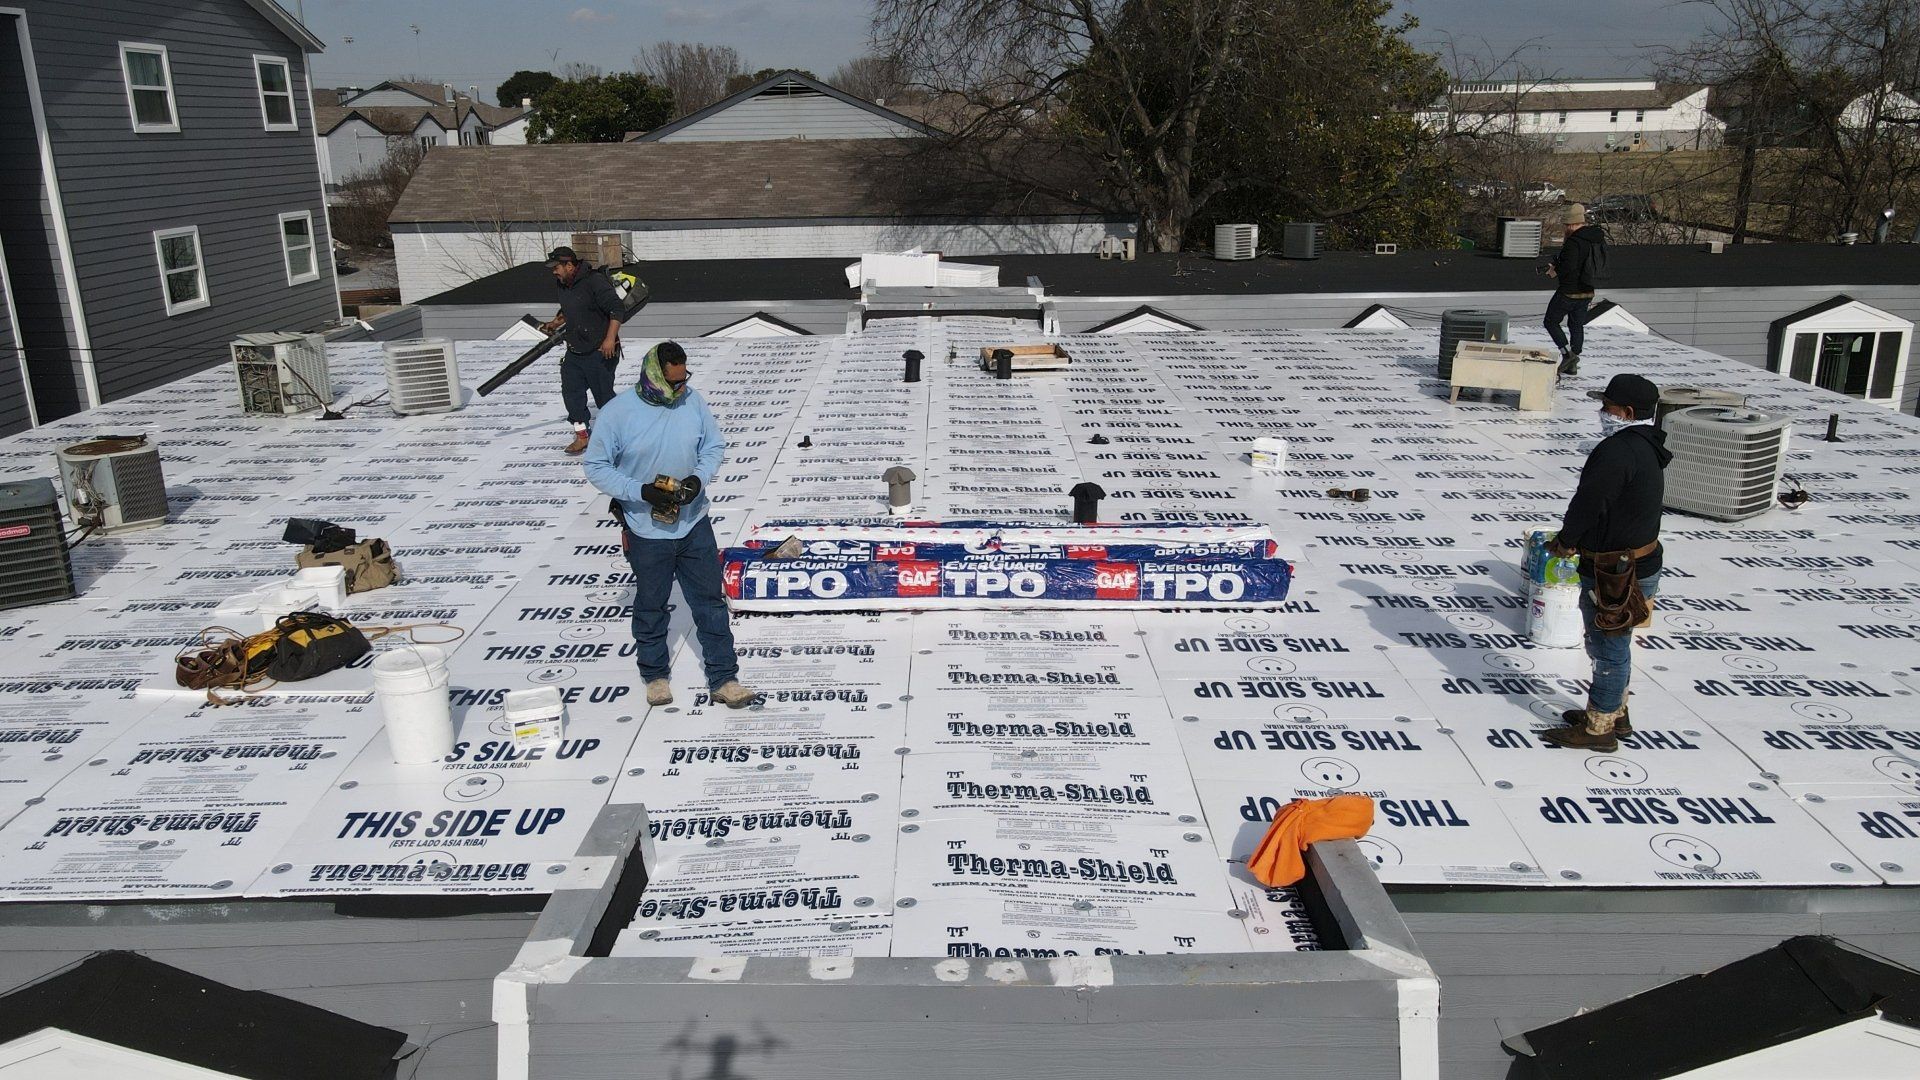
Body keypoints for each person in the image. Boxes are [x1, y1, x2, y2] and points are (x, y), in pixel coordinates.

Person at [581, 341, 756, 709]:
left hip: (693, 525)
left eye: (684, 379)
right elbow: (596, 466)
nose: (680, 388)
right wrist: (640, 491)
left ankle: (724, 678)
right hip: (647, 530)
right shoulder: (618, 413)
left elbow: (713, 447)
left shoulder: (692, 401)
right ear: (653, 375)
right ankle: (655, 674)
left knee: (709, 602)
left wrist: (698, 478)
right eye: (673, 382)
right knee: (652, 603)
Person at [1542, 374, 1670, 752]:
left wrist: (1566, 542)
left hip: (1615, 572)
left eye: (1607, 405)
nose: (1602, 411)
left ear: (1627, 412)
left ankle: (1599, 730)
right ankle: (1615, 711)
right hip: (1638, 562)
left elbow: (1588, 503)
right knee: (1618, 640)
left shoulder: (1617, 451)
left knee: (1608, 646)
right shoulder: (1649, 444)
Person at [540, 246, 627, 455]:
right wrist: (555, 322)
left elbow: (616, 310)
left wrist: (609, 339)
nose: (554, 271)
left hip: (600, 351)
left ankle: (617, 438)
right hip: (575, 351)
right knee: (572, 397)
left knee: (604, 399)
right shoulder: (563, 283)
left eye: (556, 267)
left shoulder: (594, 281)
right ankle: (582, 436)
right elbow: (568, 308)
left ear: (570, 265)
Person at [1542, 204, 1607, 377]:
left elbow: (1569, 267)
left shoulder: (1574, 242)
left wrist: (1554, 270)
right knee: (1576, 325)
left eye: (1565, 226)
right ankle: (1574, 361)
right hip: (1588, 290)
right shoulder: (1597, 238)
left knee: (1550, 321)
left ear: (1571, 225)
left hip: (1569, 290)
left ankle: (1567, 354)